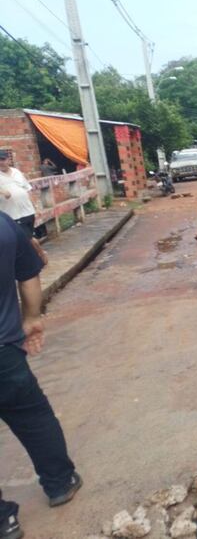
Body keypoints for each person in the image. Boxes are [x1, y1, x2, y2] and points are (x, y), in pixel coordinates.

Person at [0, 211, 82, 539]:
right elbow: (30, 274)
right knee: (34, 418)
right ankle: (60, 483)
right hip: (4, 354)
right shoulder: (4, 226)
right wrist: (32, 317)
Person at [0, 149, 47, 266]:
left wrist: (35, 207)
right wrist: (2, 191)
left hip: (27, 211)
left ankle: (33, 259)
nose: (1, 162)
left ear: (8, 160)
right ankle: (41, 255)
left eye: (3, 159)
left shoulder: (17, 172)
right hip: (12, 214)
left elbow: (28, 189)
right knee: (28, 237)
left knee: (28, 237)